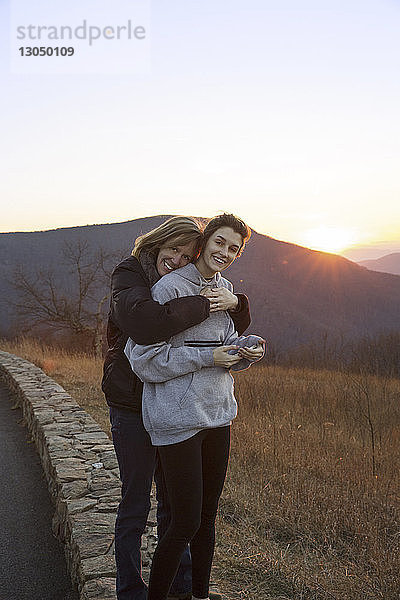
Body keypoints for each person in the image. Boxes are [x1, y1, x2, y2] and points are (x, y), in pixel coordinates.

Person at [102, 215, 252, 600]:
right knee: (149, 507)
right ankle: (133, 592)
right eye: (219, 242)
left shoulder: (225, 289)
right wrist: (208, 355)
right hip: (156, 412)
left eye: (234, 248)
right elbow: (145, 353)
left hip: (215, 414)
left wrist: (245, 349)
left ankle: (191, 593)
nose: (225, 252)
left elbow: (224, 342)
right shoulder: (148, 282)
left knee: (198, 517)